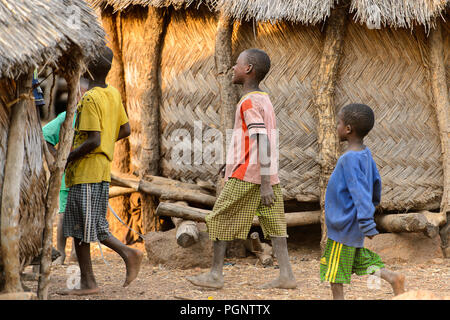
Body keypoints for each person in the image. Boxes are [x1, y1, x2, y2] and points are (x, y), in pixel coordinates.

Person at [187, 48, 297, 290]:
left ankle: (216, 275)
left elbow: (263, 141)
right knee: (276, 223)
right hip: (267, 172)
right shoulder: (264, 99)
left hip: (249, 175)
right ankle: (287, 275)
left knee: (218, 219)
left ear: (248, 70)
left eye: (237, 64)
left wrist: (264, 183)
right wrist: (232, 161)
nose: (233, 68)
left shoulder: (247, 102)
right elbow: (254, 138)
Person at [58, 47, 143, 296]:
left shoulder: (90, 98)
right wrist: (107, 142)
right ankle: (89, 281)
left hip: (86, 170)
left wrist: (66, 157)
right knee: (84, 226)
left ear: (85, 68)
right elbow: (125, 130)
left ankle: (128, 254)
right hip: (100, 170)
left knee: (84, 227)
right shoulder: (112, 93)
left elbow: (93, 140)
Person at [320, 103, 405, 300]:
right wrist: (373, 203)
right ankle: (392, 278)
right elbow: (376, 181)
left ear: (348, 129)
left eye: (339, 123)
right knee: (360, 261)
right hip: (353, 223)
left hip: (344, 224)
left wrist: (367, 221)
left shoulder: (348, 159)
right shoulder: (365, 153)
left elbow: (359, 192)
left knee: (335, 271)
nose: (337, 126)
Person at [42, 111, 77, 265]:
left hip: (90, 172)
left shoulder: (97, 114)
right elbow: (45, 135)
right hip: (70, 172)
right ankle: (61, 252)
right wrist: (59, 157)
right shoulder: (68, 116)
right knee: (64, 212)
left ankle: (76, 253)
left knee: (81, 213)